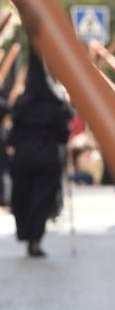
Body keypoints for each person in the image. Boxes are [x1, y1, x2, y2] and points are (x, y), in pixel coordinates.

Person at [7, 42, 71, 257]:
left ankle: (28, 235)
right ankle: (35, 238)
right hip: (47, 159)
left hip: (23, 159)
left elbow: (12, 136)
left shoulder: (21, 105)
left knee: (24, 198)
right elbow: (63, 135)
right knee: (42, 199)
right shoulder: (54, 106)